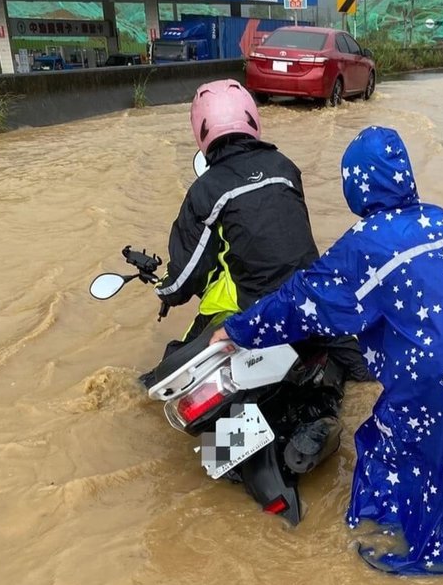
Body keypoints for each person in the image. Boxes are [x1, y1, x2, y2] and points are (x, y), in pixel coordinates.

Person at [210, 126, 443, 574]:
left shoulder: (365, 243)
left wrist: (236, 330)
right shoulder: (442, 219)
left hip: (441, 361)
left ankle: (393, 537)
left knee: (387, 446)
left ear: (356, 184)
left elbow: (303, 299)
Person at [151, 79, 369, 381]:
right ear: (252, 117)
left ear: (200, 129)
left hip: (256, 311)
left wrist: (164, 291)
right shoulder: (285, 168)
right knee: (362, 370)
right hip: (310, 299)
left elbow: (185, 276)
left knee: (166, 378)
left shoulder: (206, 190)